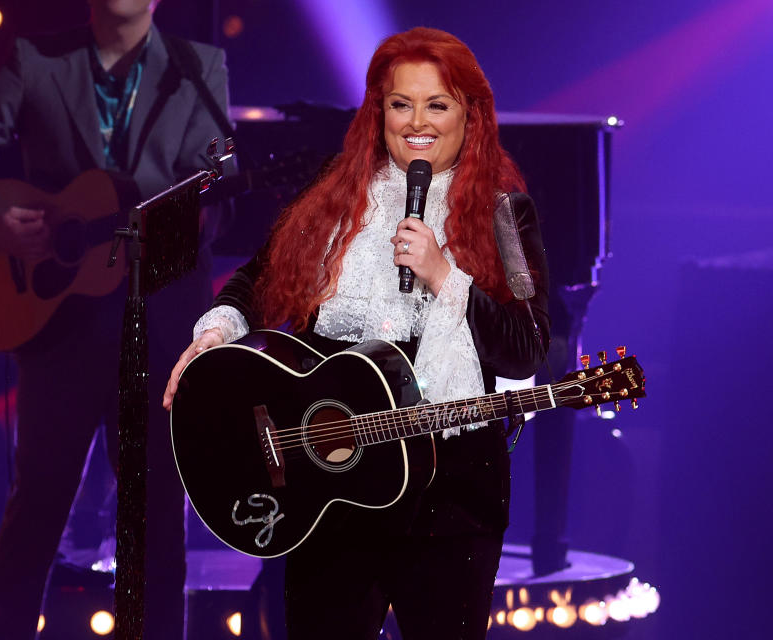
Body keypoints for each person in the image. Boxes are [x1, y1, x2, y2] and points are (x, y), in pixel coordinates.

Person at [164, 27, 552, 640]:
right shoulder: (338, 197)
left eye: (437, 104)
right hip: (329, 495)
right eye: (401, 104)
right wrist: (218, 332)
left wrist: (445, 275)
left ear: (469, 115)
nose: (416, 122)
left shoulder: (506, 213)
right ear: (379, 113)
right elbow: (258, 281)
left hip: (451, 502)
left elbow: (528, 345)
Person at [0, 1, 231, 638]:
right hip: (56, 323)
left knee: (155, 515)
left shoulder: (200, 68)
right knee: (36, 503)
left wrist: (186, 221)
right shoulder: (35, 60)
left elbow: (215, 193)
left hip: (158, 320)